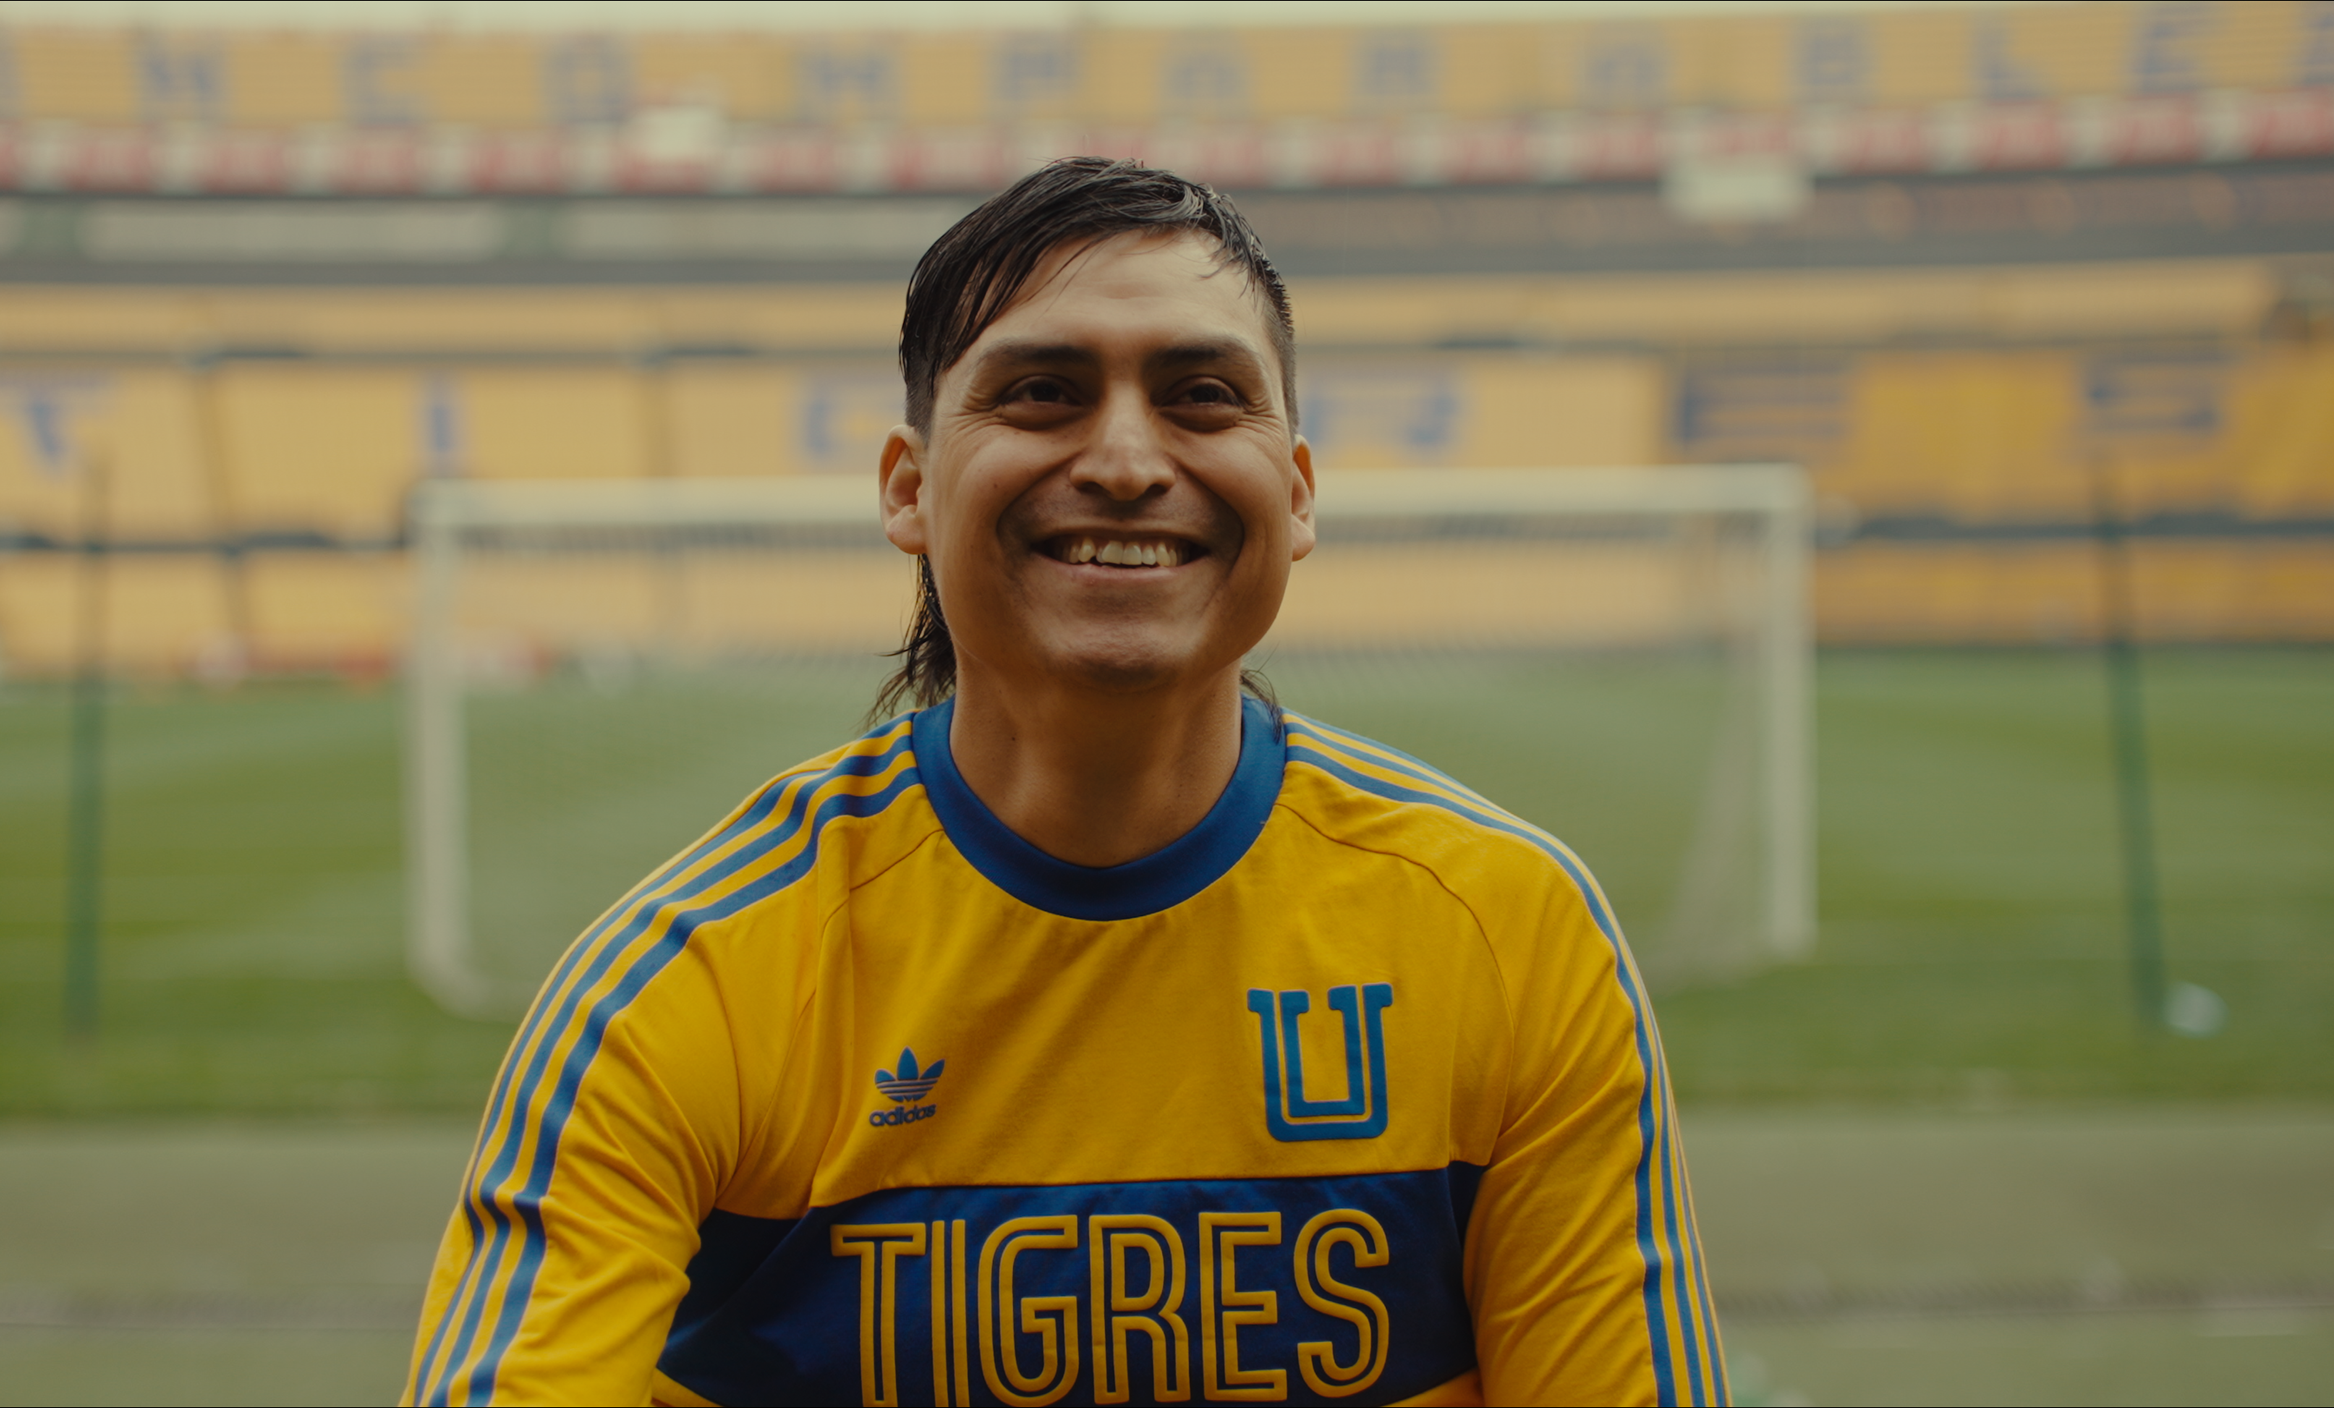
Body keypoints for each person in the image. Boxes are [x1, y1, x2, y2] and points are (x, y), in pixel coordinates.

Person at [405, 157, 1723, 1408]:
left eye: (1203, 394)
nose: (1129, 460)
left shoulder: (1510, 931)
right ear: (909, 487)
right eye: (1042, 391)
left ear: (1301, 491)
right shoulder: (681, 985)